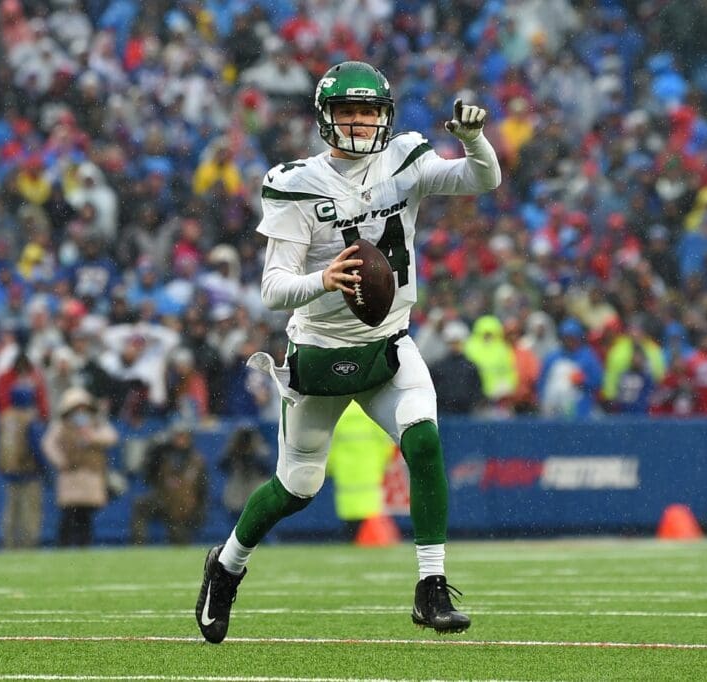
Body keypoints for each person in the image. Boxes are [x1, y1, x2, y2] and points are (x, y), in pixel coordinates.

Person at [195, 60, 500, 643]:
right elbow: (272, 289)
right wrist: (324, 279)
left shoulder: (405, 159)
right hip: (319, 350)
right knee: (296, 488)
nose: (359, 122)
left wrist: (474, 139)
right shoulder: (296, 183)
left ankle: (431, 585)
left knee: (425, 442)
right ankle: (226, 565)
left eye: (368, 111)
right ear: (325, 118)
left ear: (386, 116)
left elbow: (481, 179)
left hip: (388, 344)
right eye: (347, 111)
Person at [41, 386, 118, 547]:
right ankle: (63, 545)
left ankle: (84, 545)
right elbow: (48, 444)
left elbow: (111, 437)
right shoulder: (61, 425)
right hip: (70, 474)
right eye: (76, 407)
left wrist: (92, 437)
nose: (80, 411)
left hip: (91, 474)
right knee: (69, 514)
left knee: (86, 515)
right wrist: (60, 461)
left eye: (83, 407)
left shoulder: (96, 422)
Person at [326, 400, 396, 540]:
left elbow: (330, 446)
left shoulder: (337, 413)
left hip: (346, 473)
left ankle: (352, 537)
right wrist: (383, 463)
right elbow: (387, 443)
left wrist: (329, 468)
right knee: (369, 514)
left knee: (350, 522)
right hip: (370, 471)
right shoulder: (373, 412)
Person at [130, 420, 207, 545]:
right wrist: (155, 451)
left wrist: (200, 510)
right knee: (140, 505)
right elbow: (148, 475)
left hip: (184, 504)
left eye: (183, 436)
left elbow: (203, 489)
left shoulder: (197, 460)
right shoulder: (163, 455)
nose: (180, 439)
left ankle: (179, 544)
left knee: (179, 538)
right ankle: (138, 544)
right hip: (163, 498)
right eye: (178, 436)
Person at [0, 386, 48, 549]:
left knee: (11, 512)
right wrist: (45, 470)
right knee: (30, 513)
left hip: (10, 471)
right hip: (29, 471)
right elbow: (36, 446)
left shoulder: (5, 417)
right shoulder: (29, 419)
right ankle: (28, 546)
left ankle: (8, 545)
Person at [217, 425, 272, 529]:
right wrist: (234, 450)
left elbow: (266, 468)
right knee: (235, 528)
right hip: (237, 494)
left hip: (255, 492)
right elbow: (222, 465)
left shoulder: (260, 447)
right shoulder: (233, 449)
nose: (245, 441)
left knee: (258, 527)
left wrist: (252, 453)